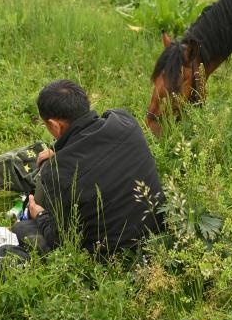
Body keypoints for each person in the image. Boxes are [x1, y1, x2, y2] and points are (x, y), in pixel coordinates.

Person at [11, 79, 165, 257]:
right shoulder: (124, 120)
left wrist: (39, 215)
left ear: (54, 125)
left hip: (112, 254)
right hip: (158, 228)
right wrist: (58, 149)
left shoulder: (56, 172)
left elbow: (60, 237)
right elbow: (94, 139)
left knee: (22, 228)